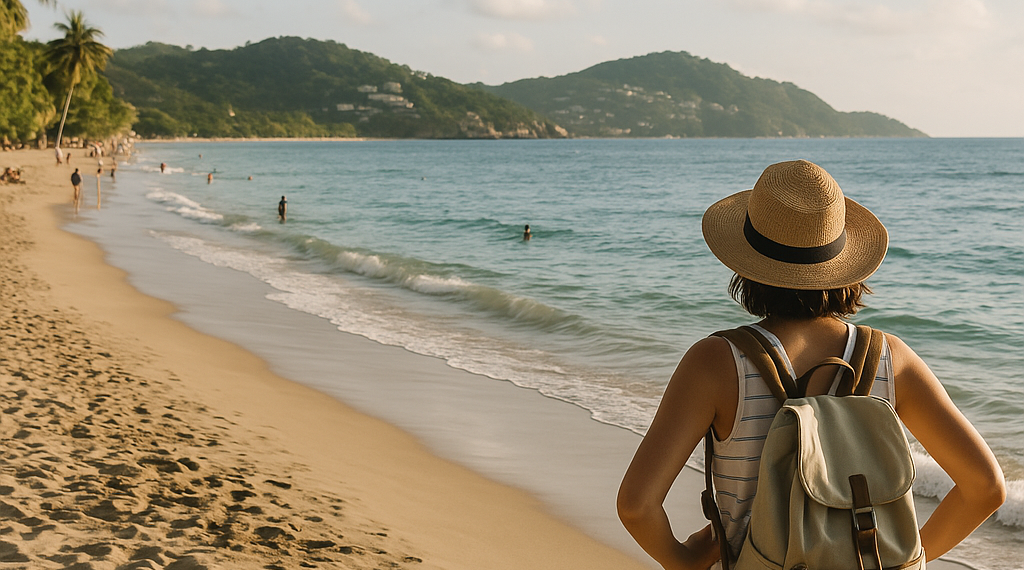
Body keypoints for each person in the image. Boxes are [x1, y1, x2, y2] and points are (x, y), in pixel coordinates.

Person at [616, 160, 1005, 569]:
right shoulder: (891, 358)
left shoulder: (716, 362)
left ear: (747, 266)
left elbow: (637, 506)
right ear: (843, 264)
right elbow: (985, 487)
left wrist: (684, 562)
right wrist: (910, 557)